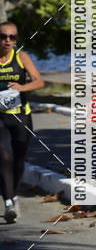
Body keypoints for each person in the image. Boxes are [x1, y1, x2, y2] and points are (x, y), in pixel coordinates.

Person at [0, 21, 45, 223]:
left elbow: (39, 81)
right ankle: (8, 202)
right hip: (0, 118)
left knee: (18, 161)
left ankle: (13, 194)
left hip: (20, 117)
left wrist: (21, 87)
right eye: (3, 36)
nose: (8, 41)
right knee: (4, 158)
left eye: (12, 37)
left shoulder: (21, 56)